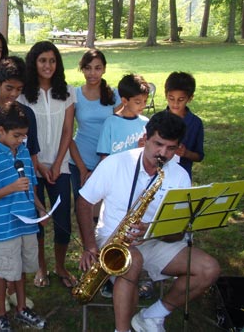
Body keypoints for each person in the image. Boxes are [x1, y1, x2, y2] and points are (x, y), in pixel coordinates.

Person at [76, 111, 220, 332]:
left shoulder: (180, 176)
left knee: (209, 269)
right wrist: (90, 246)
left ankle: (153, 315)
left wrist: (152, 231)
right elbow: (84, 203)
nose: (163, 153)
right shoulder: (116, 163)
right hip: (114, 240)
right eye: (158, 144)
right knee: (131, 261)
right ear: (146, 137)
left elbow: (177, 234)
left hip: (155, 241)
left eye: (171, 148)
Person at [0, 102, 47, 331]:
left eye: (24, 136)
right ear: (1, 131)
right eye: (16, 136)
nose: (20, 140)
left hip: (26, 223)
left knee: (21, 267)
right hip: (3, 226)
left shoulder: (24, 152)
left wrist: (40, 208)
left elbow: (31, 186)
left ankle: (21, 308)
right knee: (3, 269)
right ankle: (0, 314)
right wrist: (11, 188)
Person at [0, 56, 38, 312]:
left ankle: (16, 297)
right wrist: (11, 187)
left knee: (20, 261)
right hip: (1, 218)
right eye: (9, 87)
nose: (14, 94)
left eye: (19, 89)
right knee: (3, 260)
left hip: (23, 216)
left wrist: (39, 206)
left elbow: (30, 157)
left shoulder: (25, 120)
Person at [18, 41, 76, 289]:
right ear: (34, 63)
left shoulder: (68, 92)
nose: (48, 65)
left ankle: (60, 266)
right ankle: (41, 267)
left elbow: (67, 131)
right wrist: (39, 164)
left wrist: (57, 162)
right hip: (33, 166)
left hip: (59, 166)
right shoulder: (23, 95)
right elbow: (23, 135)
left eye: (52, 61)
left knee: (63, 221)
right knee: (37, 221)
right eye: (42, 60)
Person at [69, 49, 122, 202]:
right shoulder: (74, 94)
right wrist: (82, 169)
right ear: (82, 69)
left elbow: (117, 133)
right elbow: (67, 134)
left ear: (104, 69)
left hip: (107, 160)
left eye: (97, 68)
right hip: (79, 160)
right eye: (88, 68)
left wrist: (101, 165)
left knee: (104, 209)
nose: (92, 73)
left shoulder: (114, 94)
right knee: (83, 206)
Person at [97, 73, 150, 160]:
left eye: (145, 101)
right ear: (124, 101)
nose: (143, 105)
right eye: (138, 102)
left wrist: (143, 148)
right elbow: (104, 157)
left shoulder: (146, 123)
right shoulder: (111, 123)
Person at [164, 71, 204, 179]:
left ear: (190, 98)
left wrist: (186, 153)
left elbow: (199, 155)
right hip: (157, 177)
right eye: (171, 98)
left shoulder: (196, 123)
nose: (175, 104)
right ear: (165, 95)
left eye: (181, 100)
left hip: (182, 178)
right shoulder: (157, 119)